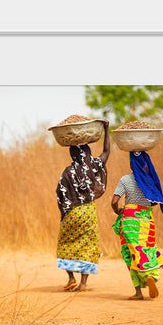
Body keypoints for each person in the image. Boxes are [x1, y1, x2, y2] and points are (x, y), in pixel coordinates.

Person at [56, 121, 111, 292]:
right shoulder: (94, 166)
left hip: (72, 212)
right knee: (87, 245)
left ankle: (71, 278)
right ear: (88, 152)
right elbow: (107, 150)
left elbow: (60, 192)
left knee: (66, 243)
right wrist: (106, 129)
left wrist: (64, 213)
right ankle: (84, 283)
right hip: (87, 212)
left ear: (72, 154)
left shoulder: (67, 172)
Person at [111, 150, 163, 300]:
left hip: (130, 219)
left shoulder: (125, 180)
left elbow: (114, 201)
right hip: (146, 219)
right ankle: (151, 276)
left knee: (130, 252)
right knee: (147, 248)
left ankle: (138, 291)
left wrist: (118, 212)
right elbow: (156, 200)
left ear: (131, 164)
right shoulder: (149, 180)